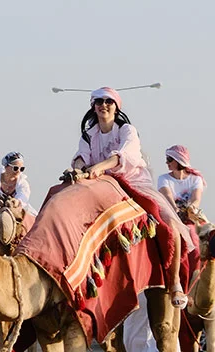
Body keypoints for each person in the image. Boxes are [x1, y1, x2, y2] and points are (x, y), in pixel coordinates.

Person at [69, 86, 193, 309]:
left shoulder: (127, 130)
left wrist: (98, 167)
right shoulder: (89, 135)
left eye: (108, 101)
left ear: (116, 106)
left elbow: (123, 156)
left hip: (134, 183)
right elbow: (80, 157)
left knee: (171, 223)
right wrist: (79, 169)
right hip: (100, 184)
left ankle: (175, 282)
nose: (103, 105)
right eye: (99, 102)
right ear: (93, 106)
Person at [157, 145, 206, 220]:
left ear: (178, 161)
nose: (166, 162)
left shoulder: (196, 179)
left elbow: (196, 199)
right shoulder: (163, 179)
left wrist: (191, 209)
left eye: (169, 159)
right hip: (170, 216)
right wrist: (175, 209)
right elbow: (167, 195)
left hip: (190, 217)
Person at [0, 151, 38, 216]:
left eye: (21, 169)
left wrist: (16, 202)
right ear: (6, 166)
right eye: (15, 168)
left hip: (16, 211)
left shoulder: (23, 184)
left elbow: (23, 198)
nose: (18, 171)